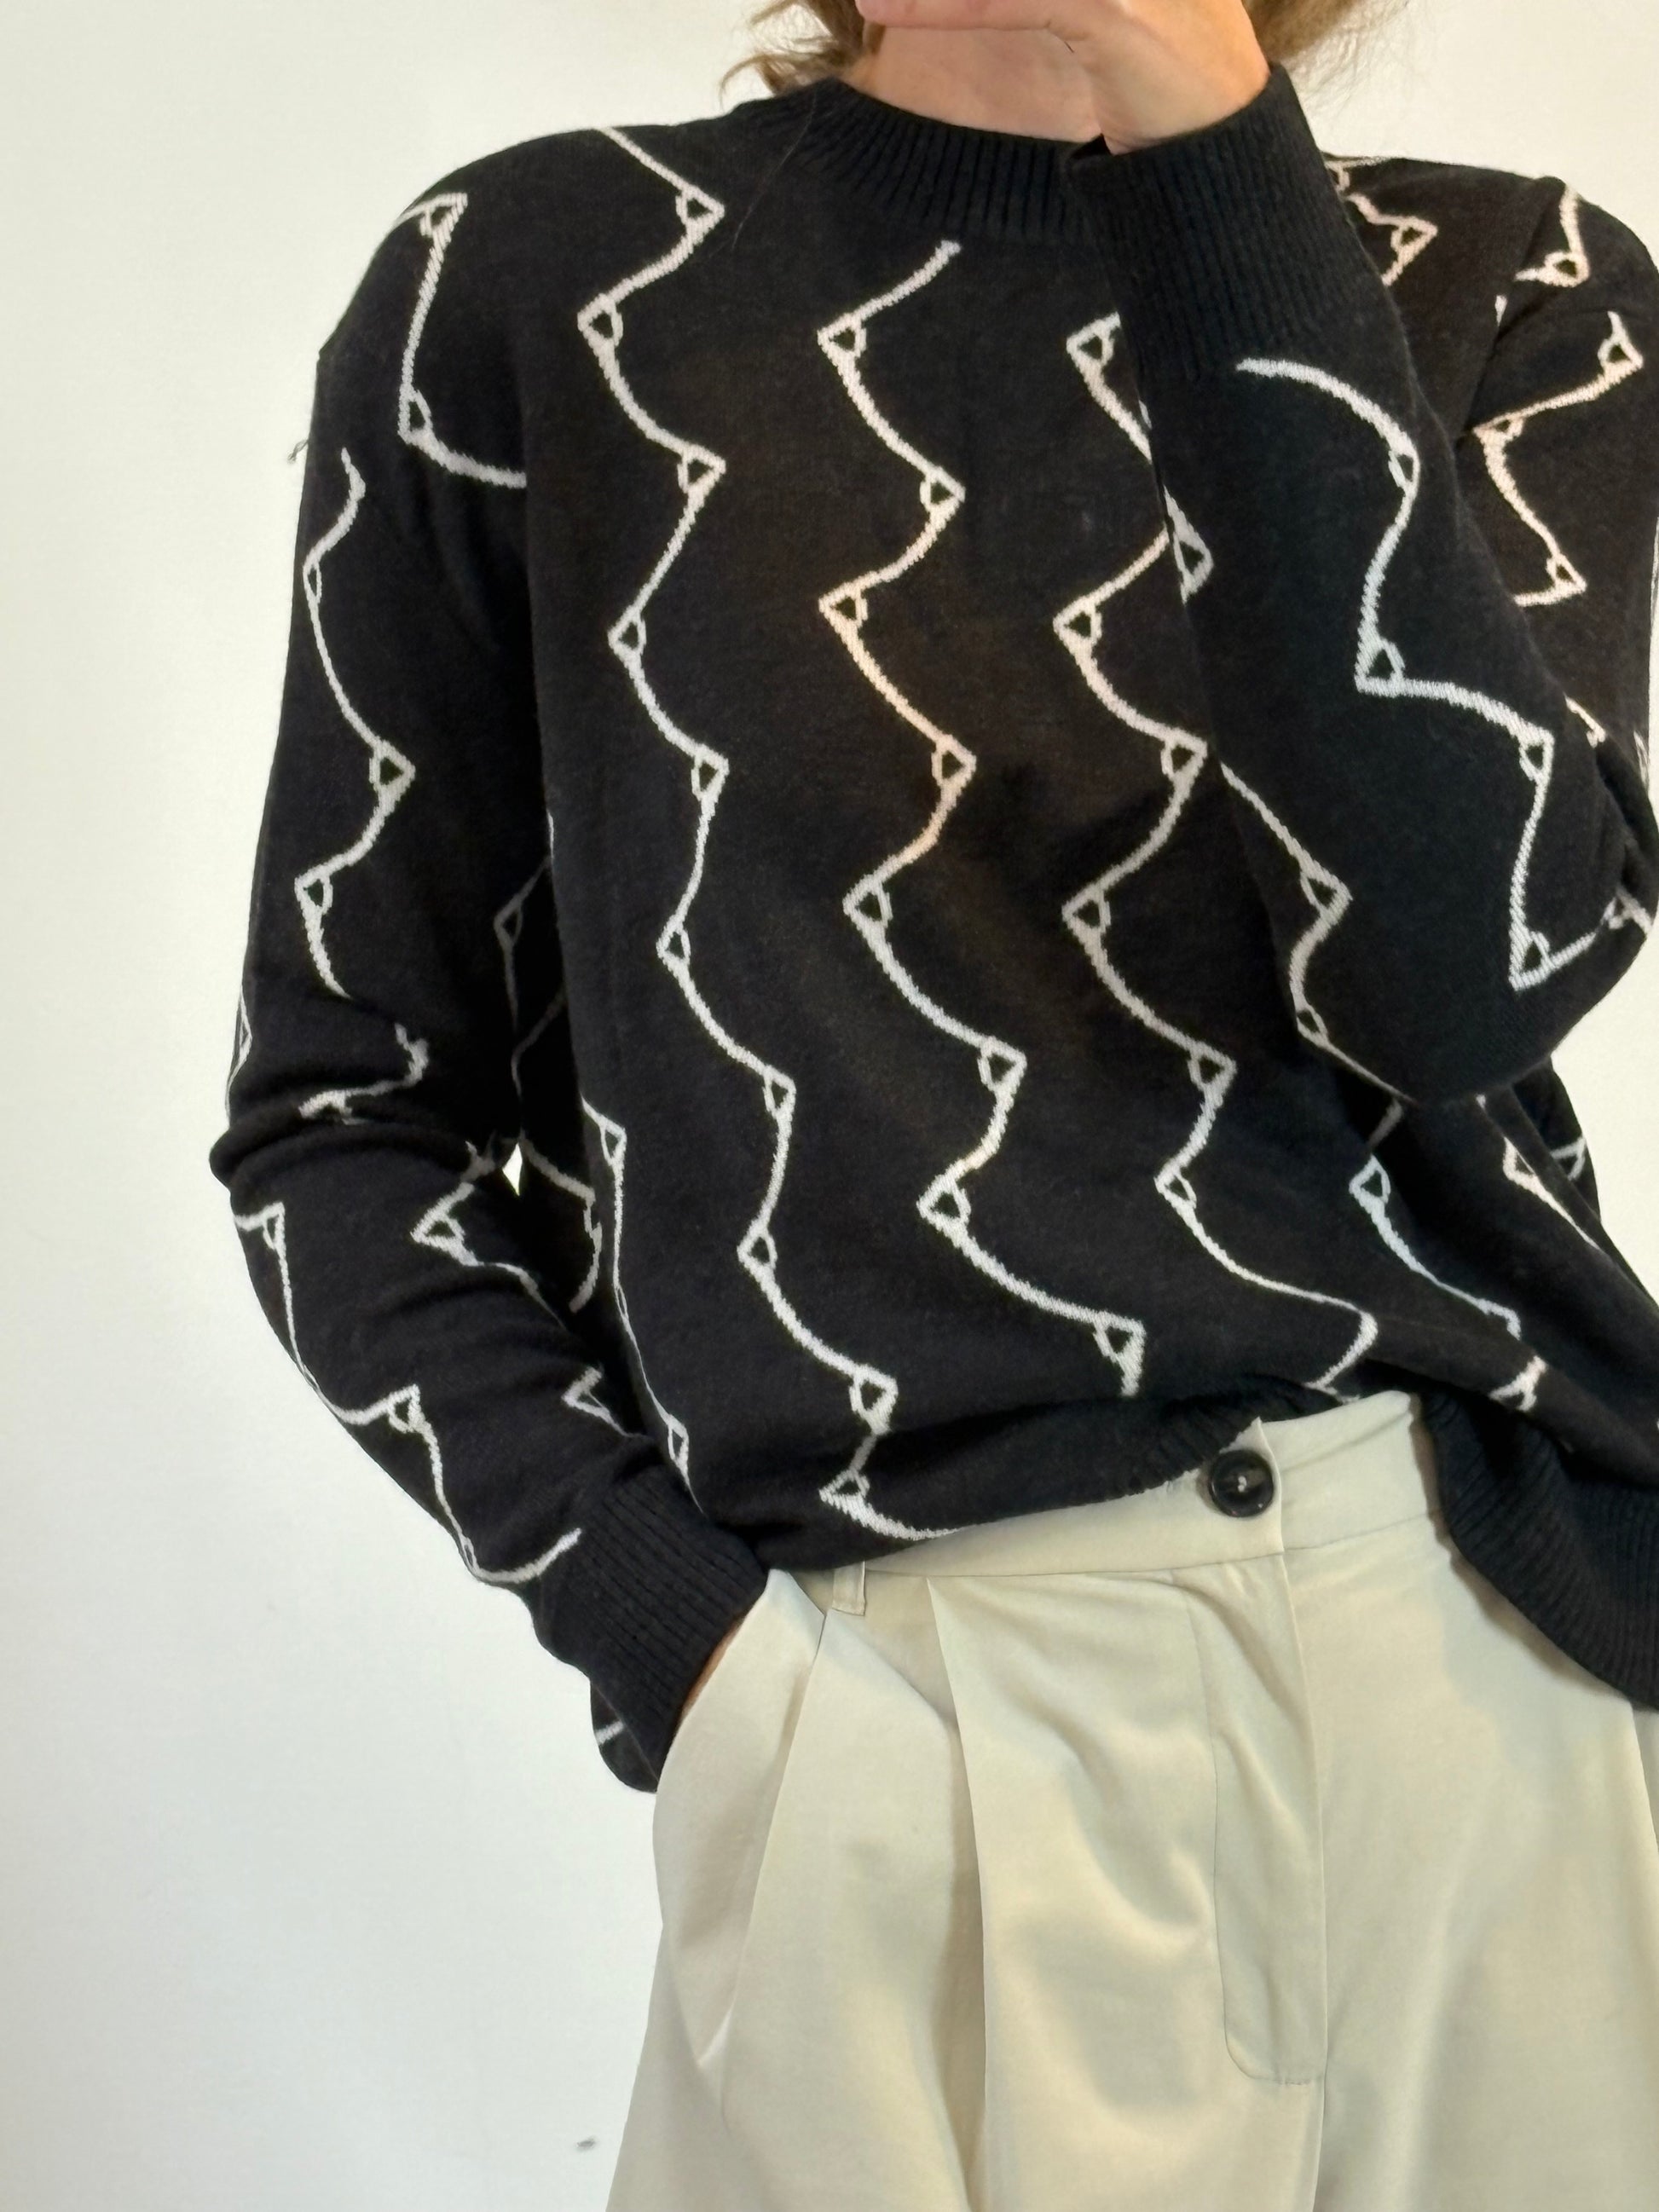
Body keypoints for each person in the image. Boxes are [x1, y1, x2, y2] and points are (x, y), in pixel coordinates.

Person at [207, 0, 1659, 2202]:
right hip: (903, 1712)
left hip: (1473, 1686)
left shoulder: (1516, 287)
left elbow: (1463, 971)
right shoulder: (538, 289)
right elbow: (345, 1113)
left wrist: (1205, 145)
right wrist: (701, 1661)